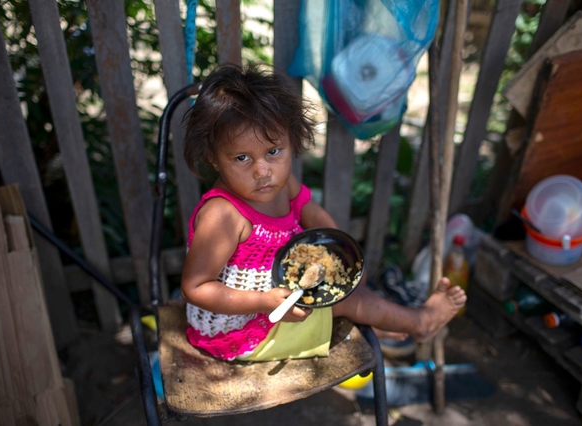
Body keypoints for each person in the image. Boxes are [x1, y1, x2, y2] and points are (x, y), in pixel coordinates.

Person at [180, 63, 466, 361]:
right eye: (242, 158)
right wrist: (264, 302)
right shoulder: (223, 215)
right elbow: (195, 287)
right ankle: (420, 322)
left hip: (278, 303)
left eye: (273, 152)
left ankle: (380, 320)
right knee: (352, 300)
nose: (262, 171)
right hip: (240, 333)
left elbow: (312, 214)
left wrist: (345, 256)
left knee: (349, 286)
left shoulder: (281, 184)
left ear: (291, 141)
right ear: (213, 158)